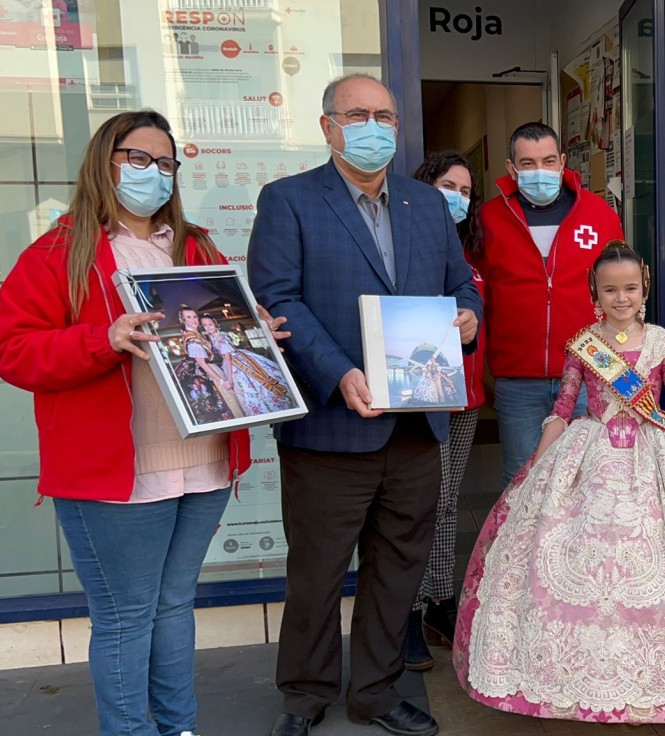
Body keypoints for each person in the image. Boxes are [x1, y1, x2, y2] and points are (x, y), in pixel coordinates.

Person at [0, 109, 286, 736]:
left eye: (166, 162)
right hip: (116, 474)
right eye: (138, 158)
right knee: (125, 617)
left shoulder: (196, 244)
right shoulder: (57, 253)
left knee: (174, 607)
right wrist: (104, 338)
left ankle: (177, 727)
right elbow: (11, 352)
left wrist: (256, 339)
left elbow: (217, 335)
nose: (153, 172)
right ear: (106, 161)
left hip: (202, 462)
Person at [248, 73, 481, 736]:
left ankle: (376, 690)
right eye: (358, 114)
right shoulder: (288, 201)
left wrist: (467, 317)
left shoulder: (426, 205)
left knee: (397, 567)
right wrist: (341, 372)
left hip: (415, 424)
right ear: (328, 126)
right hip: (329, 427)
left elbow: (462, 286)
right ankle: (305, 691)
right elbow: (281, 301)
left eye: (384, 114)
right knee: (317, 572)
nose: (373, 126)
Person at [452, 241, 665, 724]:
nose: (622, 298)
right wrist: (536, 465)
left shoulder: (660, 341)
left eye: (631, 289)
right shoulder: (583, 345)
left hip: (656, 458)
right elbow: (562, 409)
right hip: (590, 455)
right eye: (611, 289)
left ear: (645, 290)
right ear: (594, 292)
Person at [477, 122, 624, 488]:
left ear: (562, 162)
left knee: (587, 481)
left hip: (587, 373)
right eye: (527, 163)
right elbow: (474, 292)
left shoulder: (599, 215)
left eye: (547, 161)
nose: (539, 171)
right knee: (522, 482)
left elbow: (622, 292)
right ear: (512, 169)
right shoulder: (489, 219)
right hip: (517, 382)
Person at [401, 150, 486, 672]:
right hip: (420, 397)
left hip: (465, 398)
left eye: (466, 190)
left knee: (449, 503)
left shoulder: (472, 252)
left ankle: (439, 600)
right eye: (447, 186)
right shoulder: (407, 245)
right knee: (415, 509)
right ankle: (406, 611)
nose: (457, 197)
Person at [199, 313, 294, 416]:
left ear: (215, 324)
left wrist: (229, 379)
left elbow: (227, 356)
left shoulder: (220, 337)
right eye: (205, 325)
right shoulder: (212, 337)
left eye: (210, 324)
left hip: (235, 361)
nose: (208, 327)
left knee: (253, 383)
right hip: (233, 360)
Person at [177, 305, 240, 421]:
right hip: (204, 375)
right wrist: (221, 381)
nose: (193, 320)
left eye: (195, 317)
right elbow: (202, 363)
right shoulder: (191, 338)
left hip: (211, 369)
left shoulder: (199, 335)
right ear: (183, 320)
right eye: (189, 317)